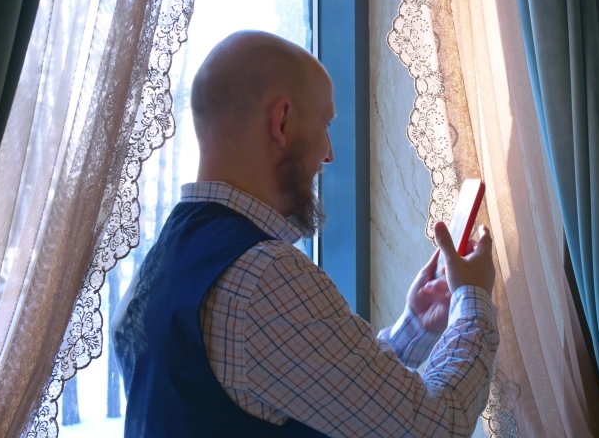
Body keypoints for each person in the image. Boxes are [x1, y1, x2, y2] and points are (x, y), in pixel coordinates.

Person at [112, 30, 499, 437]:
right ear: (281, 122)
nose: (328, 152)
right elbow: (437, 426)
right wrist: (472, 299)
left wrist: (416, 326)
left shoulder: (160, 262)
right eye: (325, 124)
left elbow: (310, 387)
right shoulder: (263, 275)